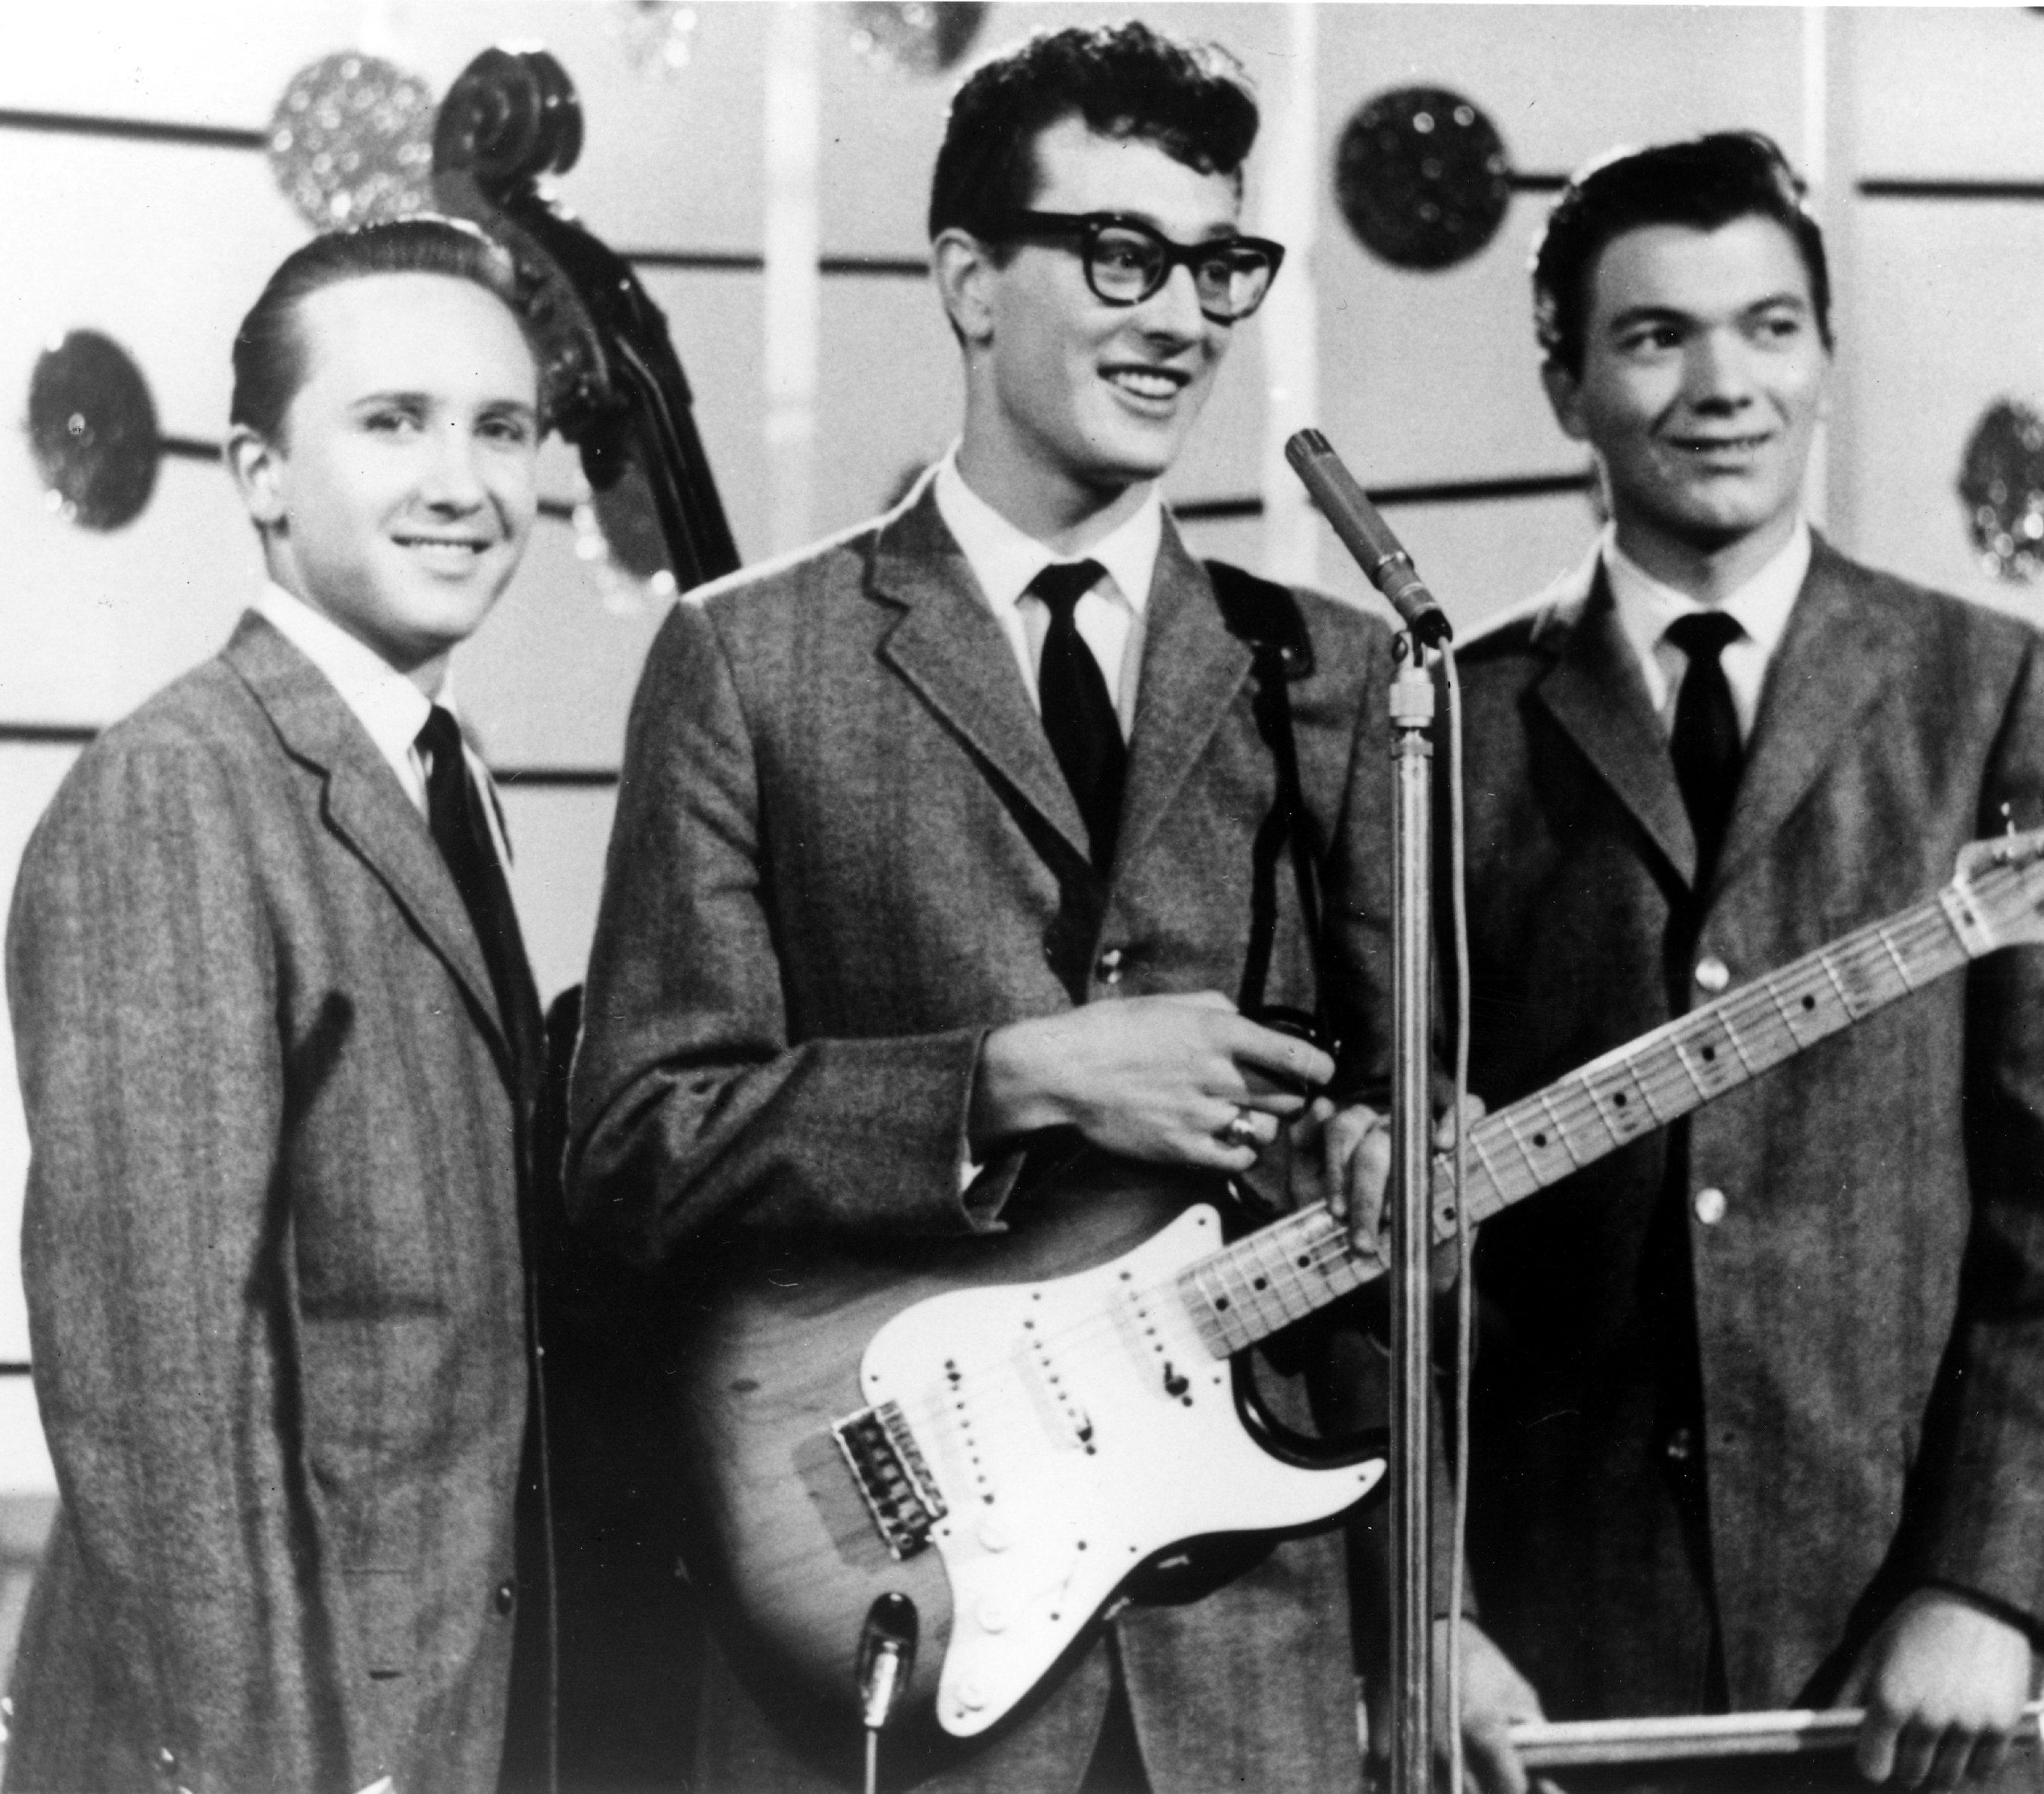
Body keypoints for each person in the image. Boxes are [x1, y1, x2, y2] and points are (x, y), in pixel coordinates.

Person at [566, 21, 1524, 1794]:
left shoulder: (1343, 674)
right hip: (883, 1662)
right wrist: (1018, 1076)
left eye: (1219, 263)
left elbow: (1409, 1148)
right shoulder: (749, 662)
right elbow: (638, 1139)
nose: (1183, 317)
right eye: (1119, 255)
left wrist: (1405, 1156)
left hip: (1257, 1690)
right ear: (965, 279)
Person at [1450, 132, 2044, 1792]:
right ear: (1566, 386)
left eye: (1770, 328)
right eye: (1655, 337)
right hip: (1543, 1687)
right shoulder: (1445, 733)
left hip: (1910, 1672)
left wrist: (1992, 1585)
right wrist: (1426, 1613)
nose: (1724, 386)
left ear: (1826, 360)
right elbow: (1391, 1248)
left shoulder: (1989, 691)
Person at [5, 217, 553, 1794]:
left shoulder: (445, 780)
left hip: (435, 1706)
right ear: (257, 473)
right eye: (394, 422)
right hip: (285, 1749)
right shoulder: (180, 788)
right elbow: (157, 1389)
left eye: (500, 428)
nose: (464, 482)